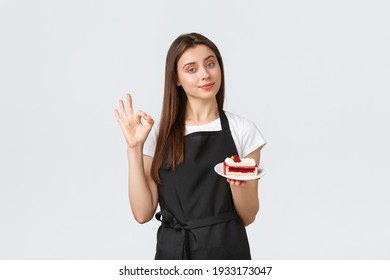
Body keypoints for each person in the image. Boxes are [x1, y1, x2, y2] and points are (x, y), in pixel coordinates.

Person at [114, 33, 266, 260]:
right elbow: (142, 213)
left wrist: (238, 184)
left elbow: (248, 216)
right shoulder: (157, 134)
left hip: (227, 254)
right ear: (176, 78)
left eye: (210, 64)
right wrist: (134, 148)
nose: (205, 74)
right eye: (191, 69)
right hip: (174, 254)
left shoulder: (243, 130)